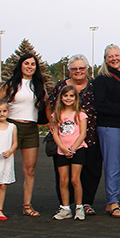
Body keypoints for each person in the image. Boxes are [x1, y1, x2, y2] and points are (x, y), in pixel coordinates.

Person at [0, 54, 47, 217]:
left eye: (33, 64)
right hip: (12, 127)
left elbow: (47, 107)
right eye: (26, 63)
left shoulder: (39, 85)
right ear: (21, 65)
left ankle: (27, 205)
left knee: (30, 170)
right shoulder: (12, 84)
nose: (29, 66)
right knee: (3, 165)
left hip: (31, 129)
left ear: (36, 67)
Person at [48, 54, 101, 217]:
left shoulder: (94, 85)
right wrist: (52, 123)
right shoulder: (60, 87)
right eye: (74, 68)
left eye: (81, 68)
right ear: (69, 70)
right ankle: (65, 205)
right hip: (63, 139)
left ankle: (85, 203)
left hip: (88, 135)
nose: (78, 71)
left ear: (87, 69)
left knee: (90, 171)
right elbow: (50, 105)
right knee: (63, 176)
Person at [93, 44, 120, 218]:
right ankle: (113, 202)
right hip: (110, 127)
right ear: (105, 59)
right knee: (112, 166)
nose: (114, 58)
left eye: (116, 55)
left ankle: (112, 202)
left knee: (118, 166)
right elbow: (100, 105)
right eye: (110, 56)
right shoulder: (102, 79)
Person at [49, 85, 89, 221]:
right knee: (63, 180)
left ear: (76, 98)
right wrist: (62, 148)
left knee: (75, 179)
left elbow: (83, 133)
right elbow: (55, 133)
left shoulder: (80, 114)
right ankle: (65, 208)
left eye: (71, 96)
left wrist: (72, 149)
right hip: (62, 150)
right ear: (61, 97)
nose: (68, 98)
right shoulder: (57, 114)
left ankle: (79, 207)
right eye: (65, 96)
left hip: (78, 149)